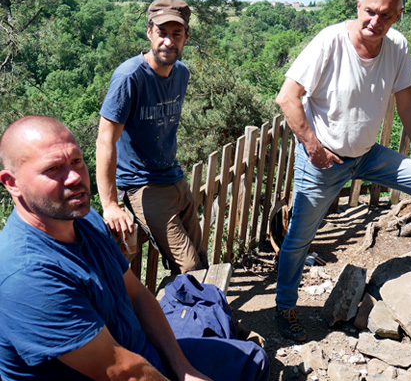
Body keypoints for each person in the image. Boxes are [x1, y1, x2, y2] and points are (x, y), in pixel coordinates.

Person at [0, 115, 269, 381]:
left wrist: (184, 368)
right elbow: (122, 373)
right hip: (118, 371)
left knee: (251, 361)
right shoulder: (27, 275)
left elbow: (137, 294)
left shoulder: (83, 218)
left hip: (140, 355)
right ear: (12, 183)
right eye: (53, 169)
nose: (73, 178)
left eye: (76, 161)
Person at [274, 0, 411, 342]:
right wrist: (312, 145)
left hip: (368, 155)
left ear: (398, 15)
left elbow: (408, 106)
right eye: (370, 11)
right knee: (299, 238)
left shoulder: (397, 46)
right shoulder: (330, 41)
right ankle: (285, 305)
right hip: (323, 159)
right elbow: (287, 98)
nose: (375, 21)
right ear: (358, 7)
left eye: (385, 15)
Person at [96, 0, 207, 275]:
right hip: (141, 184)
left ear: (186, 38)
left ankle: (200, 317)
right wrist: (110, 205)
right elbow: (105, 140)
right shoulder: (129, 77)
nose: (168, 42)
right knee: (189, 267)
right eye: (162, 33)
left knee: (201, 259)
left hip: (173, 176)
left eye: (176, 34)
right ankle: (165, 318)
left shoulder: (181, 73)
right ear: (149, 32)